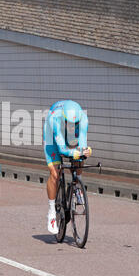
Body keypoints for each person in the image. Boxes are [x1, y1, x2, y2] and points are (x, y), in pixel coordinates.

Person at [43, 100, 92, 234]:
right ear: (64, 119)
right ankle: (52, 211)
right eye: (69, 123)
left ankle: (77, 185)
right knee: (55, 173)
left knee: (79, 156)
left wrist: (85, 151)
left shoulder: (83, 120)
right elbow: (62, 149)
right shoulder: (55, 119)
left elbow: (81, 144)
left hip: (69, 136)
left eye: (75, 124)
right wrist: (72, 152)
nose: (72, 126)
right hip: (52, 137)